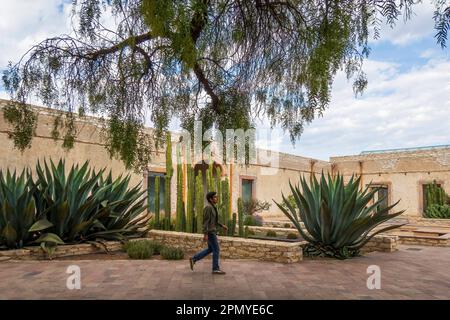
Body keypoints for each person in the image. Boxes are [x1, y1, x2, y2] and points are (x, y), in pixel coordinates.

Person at [189, 191, 228, 274]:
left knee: (210, 249)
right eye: (215, 197)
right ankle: (215, 268)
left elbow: (214, 221)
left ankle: (194, 259)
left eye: (216, 197)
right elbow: (205, 222)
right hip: (210, 232)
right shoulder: (208, 208)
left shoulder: (213, 207)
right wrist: (205, 234)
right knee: (216, 250)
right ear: (210, 199)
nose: (216, 198)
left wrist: (222, 226)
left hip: (212, 231)